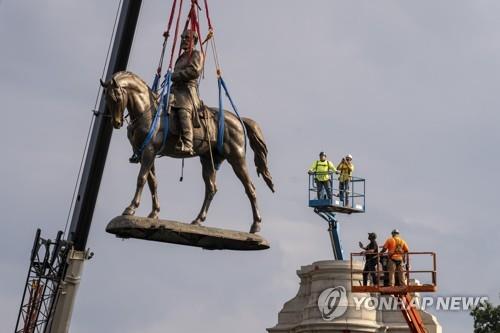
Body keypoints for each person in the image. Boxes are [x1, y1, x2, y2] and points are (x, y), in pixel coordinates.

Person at [171, 28, 204, 155]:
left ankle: (188, 143)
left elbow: (194, 71)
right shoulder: (181, 58)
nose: (184, 40)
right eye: (183, 38)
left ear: (194, 41)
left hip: (187, 92)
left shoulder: (196, 54)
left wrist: (174, 76)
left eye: (187, 38)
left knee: (183, 110)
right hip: (175, 90)